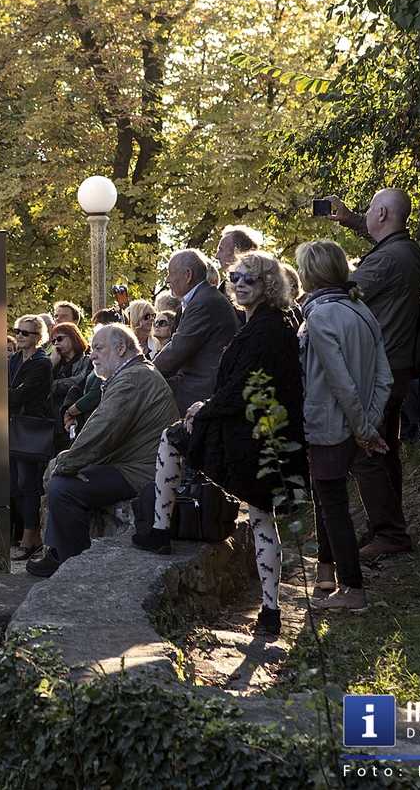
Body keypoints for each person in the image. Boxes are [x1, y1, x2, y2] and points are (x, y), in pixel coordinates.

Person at [135, 252, 306, 636]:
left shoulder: (267, 328)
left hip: (252, 435)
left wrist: (204, 410)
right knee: (263, 518)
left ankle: (161, 531)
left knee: (172, 438)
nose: (241, 283)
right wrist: (207, 407)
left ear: (269, 284)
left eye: (251, 278)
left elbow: (247, 389)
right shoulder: (263, 323)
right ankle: (270, 610)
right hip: (258, 431)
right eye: (236, 276)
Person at [26, 325, 178, 578]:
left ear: (120, 349)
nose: (92, 355)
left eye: (99, 348)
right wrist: (69, 460)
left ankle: (70, 563)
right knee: (63, 478)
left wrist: (66, 463)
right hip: (136, 464)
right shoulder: (133, 374)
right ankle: (58, 552)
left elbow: (102, 430)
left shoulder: (132, 379)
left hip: (141, 472)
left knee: (63, 487)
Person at [325, 189, 420, 558]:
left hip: (378, 370)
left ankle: (389, 534)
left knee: (367, 450)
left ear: (382, 212)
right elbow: (385, 247)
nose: (367, 213)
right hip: (399, 367)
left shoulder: (387, 260)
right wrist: (352, 219)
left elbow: (341, 293)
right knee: (386, 450)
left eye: (369, 209)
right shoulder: (409, 251)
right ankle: (387, 529)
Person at [295, 240, 393, 614]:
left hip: (331, 424)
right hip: (354, 422)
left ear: (310, 274)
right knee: (325, 498)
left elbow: (340, 381)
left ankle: (353, 588)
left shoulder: (319, 317)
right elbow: (384, 375)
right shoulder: (361, 309)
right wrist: (370, 420)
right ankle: (328, 571)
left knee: (332, 503)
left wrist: (362, 428)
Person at [155, 249, 240, 414]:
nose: (167, 280)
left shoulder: (203, 302)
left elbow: (176, 351)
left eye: (170, 273)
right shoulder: (204, 297)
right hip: (200, 384)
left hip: (199, 390)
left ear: (187, 275)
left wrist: (144, 373)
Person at [9, 315, 54, 560]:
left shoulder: (41, 363)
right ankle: (27, 533)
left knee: (29, 484)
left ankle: (30, 536)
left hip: (30, 427)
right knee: (16, 483)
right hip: (13, 426)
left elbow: (21, 396)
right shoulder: (14, 360)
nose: (19, 335)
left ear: (38, 337)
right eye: (17, 331)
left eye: (25, 333)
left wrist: (4, 393)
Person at [48, 322, 91, 444]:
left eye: (60, 338)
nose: (56, 343)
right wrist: (52, 364)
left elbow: (79, 382)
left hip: (77, 419)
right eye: (53, 341)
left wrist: (53, 385)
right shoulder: (53, 363)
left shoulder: (87, 360)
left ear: (73, 337)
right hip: (54, 422)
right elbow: (41, 386)